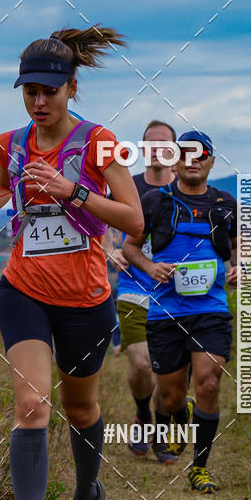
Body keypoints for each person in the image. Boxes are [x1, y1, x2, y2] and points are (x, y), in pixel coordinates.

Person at [0, 26, 142, 500]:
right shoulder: (12, 144)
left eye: (49, 91)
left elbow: (134, 220)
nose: (39, 102)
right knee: (32, 406)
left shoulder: (99, 143)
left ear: (72, 88)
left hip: (86, 300)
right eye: (30, 92)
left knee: (80, 409)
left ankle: (87, 496)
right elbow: (2, 187)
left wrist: (75, 192)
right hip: (24, 291)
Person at [122, 130, 238, 493]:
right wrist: (149, 266)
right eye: (184, 154)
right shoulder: (156, 201)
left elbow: (240, 246)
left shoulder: (225, 203)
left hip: (210, 309)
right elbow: (130, 248)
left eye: (200, 154)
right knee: (171, 398)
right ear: (175, 160)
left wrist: (240, 267)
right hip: (166, 311)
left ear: (211, 161)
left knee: (209, 381)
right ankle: (178, 414)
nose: (192, 160)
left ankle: (199, 467)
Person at [103, 120, 178, 461]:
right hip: (134, 285)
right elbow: (99, 223)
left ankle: (161, 427)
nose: (157, 150)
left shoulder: (186, 188)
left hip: (177, 294)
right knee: (141, 363)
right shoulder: (127, 186)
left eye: (165, 144)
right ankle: (142, 414)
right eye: (150, 144)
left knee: (170, 372)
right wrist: (110, 250)